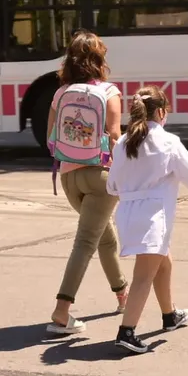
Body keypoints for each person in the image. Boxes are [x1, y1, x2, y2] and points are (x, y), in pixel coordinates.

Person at [105, 85, 188, 354]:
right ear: (162, 112)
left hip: (128, 213)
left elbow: (112, 185)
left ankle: (169, 315)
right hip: (154, 216)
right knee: (144, 276)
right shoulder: (167, 141)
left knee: (163, 262)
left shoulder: (122, 143)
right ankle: (127, 331)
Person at [45, 30, 129, 335]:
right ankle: (61, 310)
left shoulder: (60, 93)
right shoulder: (109, 92)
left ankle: (123, 295)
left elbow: (50, 139)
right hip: (100, 177)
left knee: (104, 237)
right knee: (85, 243)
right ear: (99, 60)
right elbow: (116, 137)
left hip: (69, 179)